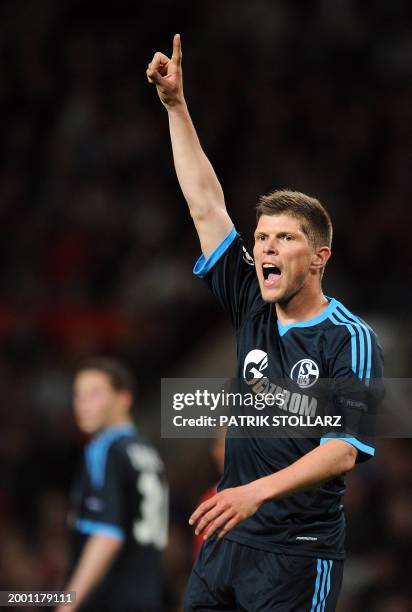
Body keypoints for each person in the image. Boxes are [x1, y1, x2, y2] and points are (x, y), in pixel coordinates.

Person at [147, 35, 384, 611]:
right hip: (227, 540)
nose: (267, 248)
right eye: (261, 238)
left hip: (296, 554)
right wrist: (177, 107)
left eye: (285, 238)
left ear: (320, 257)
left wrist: (254, 492)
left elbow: (343, 450)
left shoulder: (350, 339)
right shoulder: (252, 299)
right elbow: (206, 204)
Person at [58, 357, 168, 612]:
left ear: (123, 399)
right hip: (146, 598)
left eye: (95, 394)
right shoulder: (148, 453)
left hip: (108, 600)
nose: (82, 404)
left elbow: (106, 536)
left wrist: (66, 606)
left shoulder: (104, 449)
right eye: (78, 395)